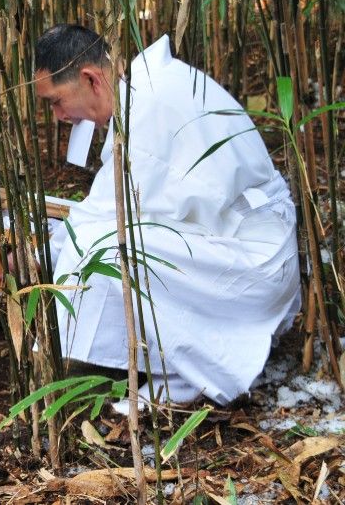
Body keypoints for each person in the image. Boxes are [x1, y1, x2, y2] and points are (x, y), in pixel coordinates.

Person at [33, 24, 300, 405]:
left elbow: (103, 221)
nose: (58, 115)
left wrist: (41, 254)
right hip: (250, 240)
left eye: (56, 101)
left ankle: (198, 363)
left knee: (104, 248)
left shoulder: (146, 107)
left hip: (256, 266)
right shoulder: (147, 86)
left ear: (91, 79)